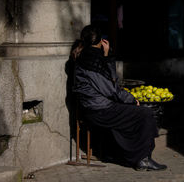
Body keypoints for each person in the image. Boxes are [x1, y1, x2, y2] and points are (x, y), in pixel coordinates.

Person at [70, 24, 167, 171]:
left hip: (98, 107)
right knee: (145, 113)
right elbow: (112, 89)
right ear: (100, 41)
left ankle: (133, 155)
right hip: (99, 110)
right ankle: (143, 158)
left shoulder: (88, 58)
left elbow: (111, 83)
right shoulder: (92, 61)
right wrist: (133, 100)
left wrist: (107, 57)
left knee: (132, 112)